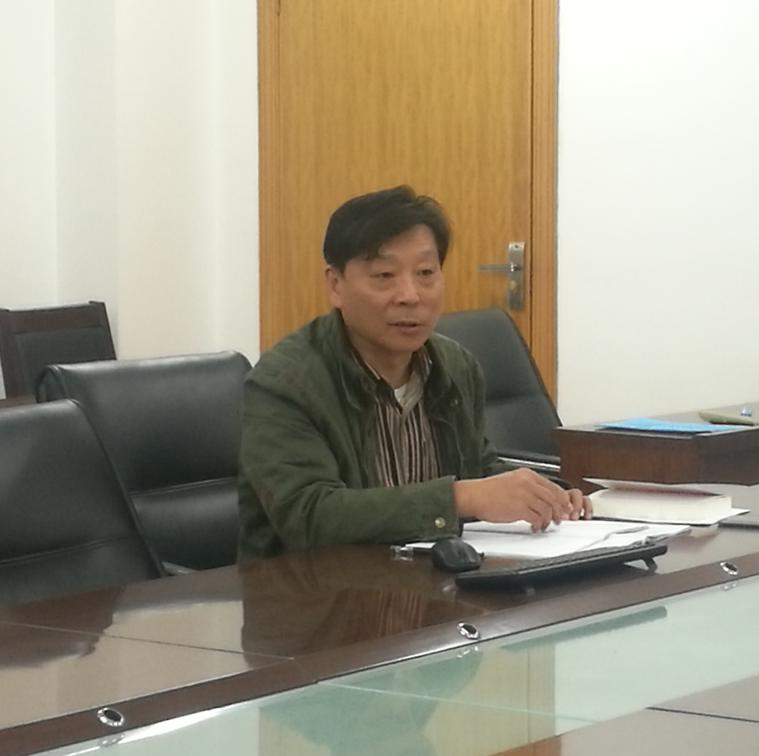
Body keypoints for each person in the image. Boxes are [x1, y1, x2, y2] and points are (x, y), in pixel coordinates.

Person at [238, 186, 590, 560]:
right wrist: (459, 498)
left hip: (432, 581)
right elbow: (308, 515)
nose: (410, 295)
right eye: (384, 275)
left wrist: (544, 494)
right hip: (314, 589)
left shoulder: (455, 365)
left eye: (425, 273)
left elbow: (476, 467)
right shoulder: (285, 382)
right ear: (336, 285)